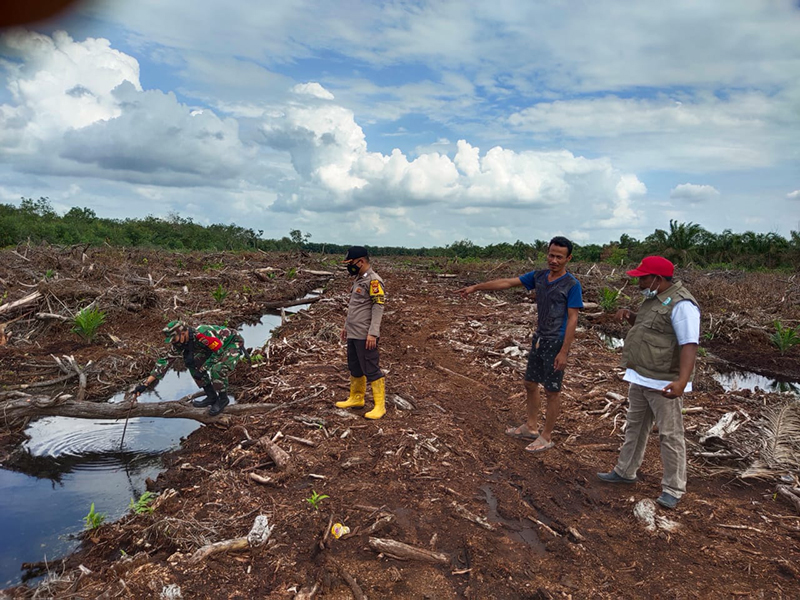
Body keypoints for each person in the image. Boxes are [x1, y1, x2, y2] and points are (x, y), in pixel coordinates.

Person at [458, 237, 583, 453]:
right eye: (551, 255)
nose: (553, 260)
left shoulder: (572, 285)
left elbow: (573, 319)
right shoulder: (539, 277)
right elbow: (508, 282)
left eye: (559, 257)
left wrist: (564, 352)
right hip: (539, 339)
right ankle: (531, 427)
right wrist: (477, 287)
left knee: (552, 391)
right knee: (530, 383)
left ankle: (546, 436)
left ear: (568, 258)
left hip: (556, 342)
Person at [597, 256, 700, 510]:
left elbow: (689, 344)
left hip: (664, 382)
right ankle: (625, 472)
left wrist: (681, 382)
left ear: (658, 277)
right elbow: (651, 329)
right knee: (635, 427)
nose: (639, 281)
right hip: (641, 376)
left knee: (670, 435)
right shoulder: (654, 298)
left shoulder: (682, 304)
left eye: (643, 277)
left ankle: (673, 488)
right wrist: (630, 316)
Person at [132, 320, 246, 416]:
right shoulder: (180, 342)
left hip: (230, 343)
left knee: (217, 368)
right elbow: (165, 362)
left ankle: (223, 399)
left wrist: (203, 369)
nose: (173, 342)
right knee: (192, 363)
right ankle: (211, 396)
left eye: (174, 338)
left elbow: (218, 352)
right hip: (212, 349)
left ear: (183, 333)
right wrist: (145, 384)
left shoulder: (202, 334)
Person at [335, 246, 387, 419]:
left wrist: (373, 333)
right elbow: (354, 308)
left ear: (361, 261)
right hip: (353, 333)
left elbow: (378, 307)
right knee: (355, 367)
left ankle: (380, 406)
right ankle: (356, 398)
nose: (348, 267)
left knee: (371, 368)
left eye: (350, 263)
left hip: (365, 335)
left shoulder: (373, 281)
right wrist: (346, 327)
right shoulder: (359, 279)